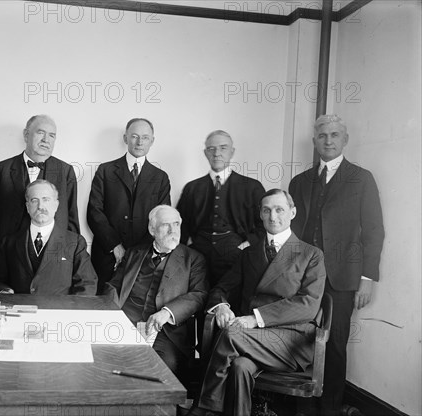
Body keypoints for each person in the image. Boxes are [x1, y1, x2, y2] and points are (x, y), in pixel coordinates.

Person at [188, 189, 326, 416]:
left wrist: (255, 318)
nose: (273, 216)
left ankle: (204, 408)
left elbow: (308, 305)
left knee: (232, 333)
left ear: (292, 212)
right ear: (260, 215)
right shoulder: (249, 254)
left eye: (279, 209)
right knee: (240, 367)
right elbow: (221, 288)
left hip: (291, 340)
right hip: (250, 341)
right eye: (266, 210)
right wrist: (221, 305)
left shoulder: (311, 254)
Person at [289, 114, 384, 416]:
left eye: (334, 135)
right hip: (303, 276)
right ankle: (300, 404)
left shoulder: (361, 178)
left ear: (345, 139)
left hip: (343, 277)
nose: (328, 141)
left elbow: (373, 230)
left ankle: (329, 409)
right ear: (315, 141)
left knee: (335, 344)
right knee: (297, 338)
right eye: (322, 136)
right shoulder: (300, 181)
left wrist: (367, 278)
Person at [106, 205, 208, 385]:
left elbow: (198, 294)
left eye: (176, 224)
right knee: (106, 363)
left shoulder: (193, 259)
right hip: (125, 325)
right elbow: (114, 286)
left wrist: (168, 312)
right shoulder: (134, 253)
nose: (172, 230)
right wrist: (108, 314)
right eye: (165, 225)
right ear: (152, 229)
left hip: (165, 332)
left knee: (161, 371)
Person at [0, 115, 79, 274]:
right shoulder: (2, 169)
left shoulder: (65, 171)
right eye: (41, 133)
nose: (46, 139)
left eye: (52, 135)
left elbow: (72, 217)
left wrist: (73, 260)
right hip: (8, 260)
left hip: (52, 260)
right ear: (26, 135)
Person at [87, 118, 171, 294]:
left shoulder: (160, 177)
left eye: (145, 137)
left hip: (144, 257)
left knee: (135, 308)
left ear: (152, 141)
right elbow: (94, 212)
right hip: (106, 254)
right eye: (134, 136)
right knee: (103, 305)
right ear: (125, 138)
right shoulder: (105, 170)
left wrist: (138, 253)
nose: (139, 142)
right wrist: (115, 246)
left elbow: (162, 220)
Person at [176, 130, 265, 295]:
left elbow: (264, 225)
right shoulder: (192, 188)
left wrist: (246, 244)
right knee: (196, 298)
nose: (217, 153)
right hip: (199, 255)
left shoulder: (252, 187)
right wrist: (184, 254)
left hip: (235, 253)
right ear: (205, 153)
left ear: (232, 152)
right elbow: (180, 226)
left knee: (231, 300)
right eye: (211, 149)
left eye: (223, 148)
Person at [0, 180, 96, 296]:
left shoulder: (75, 242)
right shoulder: (9, 242)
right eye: (34, 200)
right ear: (27, 206)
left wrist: (69, 312)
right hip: (20, 312)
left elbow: (87, 284)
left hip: (59, 312)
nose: (41, 206)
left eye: (46, 199)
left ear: (56, 205)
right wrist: (4, 291)